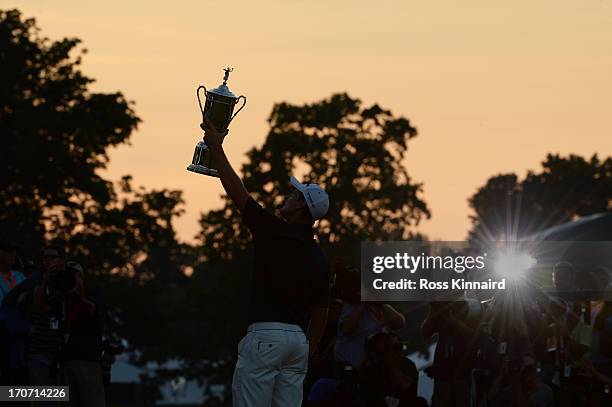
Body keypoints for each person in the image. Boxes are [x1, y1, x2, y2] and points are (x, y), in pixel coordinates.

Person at [200, 118, 331, 407]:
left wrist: (216, 148)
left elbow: (238, 192)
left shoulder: (274, 231)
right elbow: (321, 315)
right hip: (298, 342)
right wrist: (306, 352)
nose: (287, 196)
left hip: (265, 337)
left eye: (294, 195)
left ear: (300, 207)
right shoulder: (320, 257)